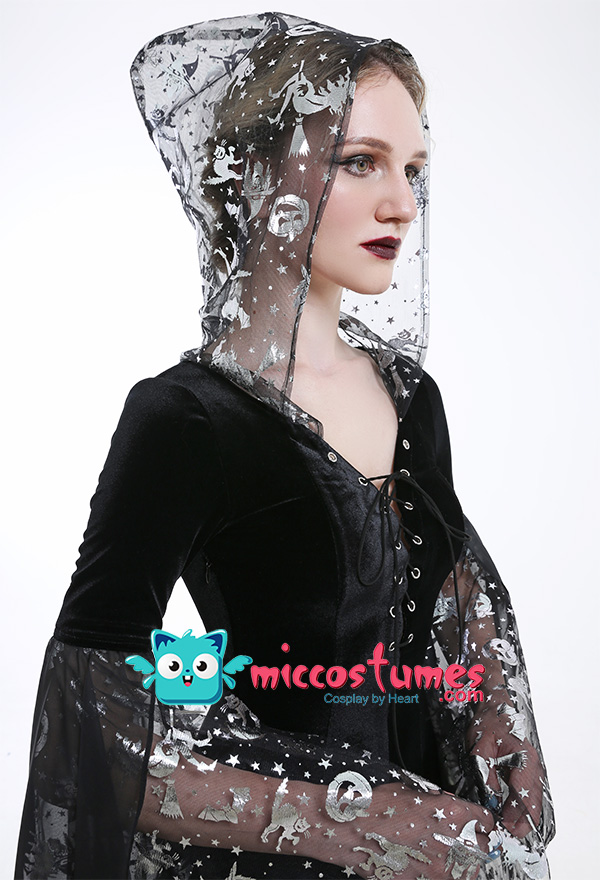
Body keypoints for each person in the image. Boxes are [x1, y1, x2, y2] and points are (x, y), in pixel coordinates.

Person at [15, 12, 554, 879]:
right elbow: (96, 711)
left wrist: (495, 801)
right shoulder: (186, 418)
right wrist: (370, 817)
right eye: (361, 161)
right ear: (263, 173)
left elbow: (457, 629)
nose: (402, 203)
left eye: (414, 169)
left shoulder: (413, 400)